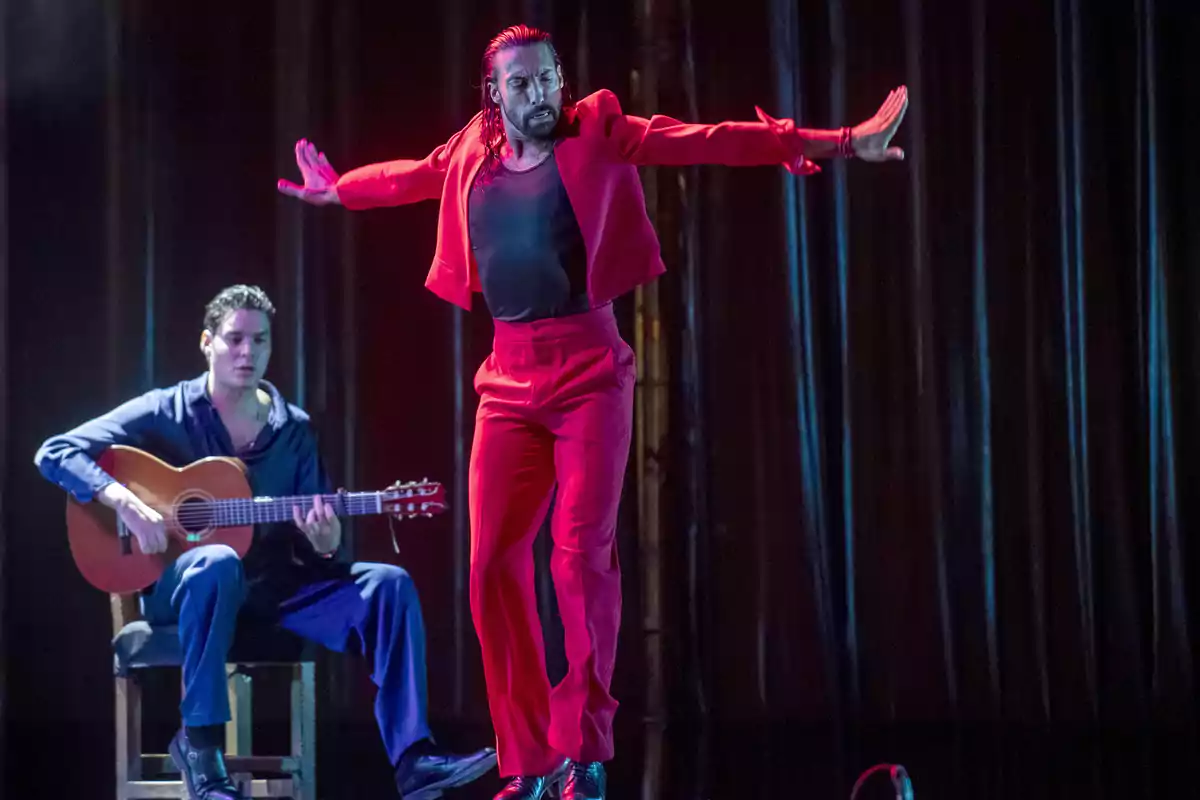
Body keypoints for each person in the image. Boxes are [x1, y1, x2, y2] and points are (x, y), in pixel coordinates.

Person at [277, 24, 907, 800]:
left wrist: (841, 140)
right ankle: (531, 756)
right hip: (507, 380)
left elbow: (705, 138)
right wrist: (338, 190)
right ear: (494, 95)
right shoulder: (473, 148)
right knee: (489, 566)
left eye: (548, 79)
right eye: (521, 84)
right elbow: (412, 177)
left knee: (578, 558)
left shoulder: (598, 129)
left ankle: (587, 749)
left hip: (590, 374)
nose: (539, 94)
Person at [34, 285, 497, 800]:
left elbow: (323, 544)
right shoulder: (167, 411)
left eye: (260, 341)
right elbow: (56, 451)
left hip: (275, 590)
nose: (247, 353)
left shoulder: (291, 428)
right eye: (234, 339)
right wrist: (125, 502)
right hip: (187, 591)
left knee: (388, 585)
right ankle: (202, 748)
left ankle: (414, 758)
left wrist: (326, 540)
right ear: (207, 342)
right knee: (214, 560)